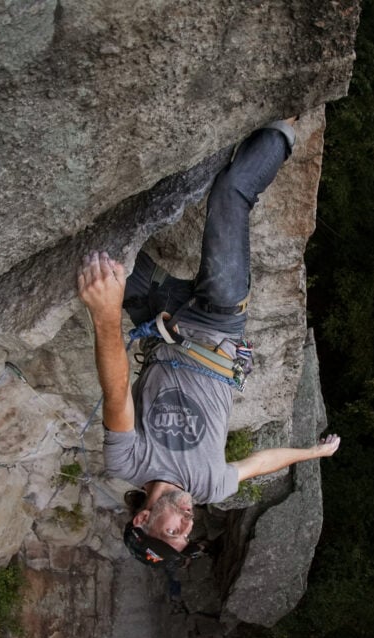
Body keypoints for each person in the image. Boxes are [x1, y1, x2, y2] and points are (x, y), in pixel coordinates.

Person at [76, 119, 341, 569]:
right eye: (187, 534)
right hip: (218, 322)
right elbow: (261, 463)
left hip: (160, 320)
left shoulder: (128, 462)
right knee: (230, 194)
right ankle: (287, 129)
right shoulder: (212, 486)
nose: (187, 522)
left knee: (98, 249)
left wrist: (105, 312)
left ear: (142, 518)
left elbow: (118, 391)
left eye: (172, 532)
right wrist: (313, 453)